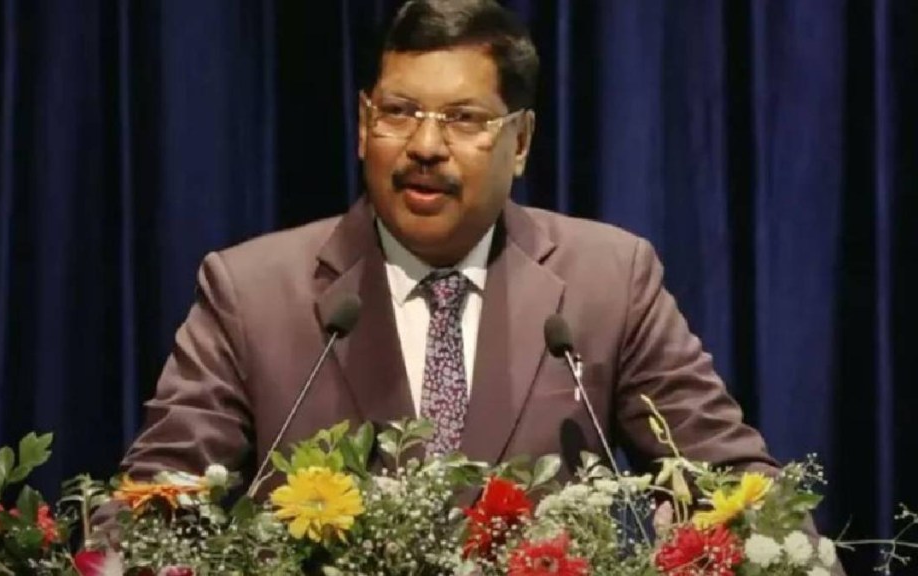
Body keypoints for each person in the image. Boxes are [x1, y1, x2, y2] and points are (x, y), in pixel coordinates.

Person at [117, 0, 778, 495]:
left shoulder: (609, 281)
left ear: (520, 143)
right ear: (363, 125)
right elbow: (154, 504)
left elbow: (733, 485)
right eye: (399, 112)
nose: (426, 146)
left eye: (464, 119)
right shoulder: (251, 293)